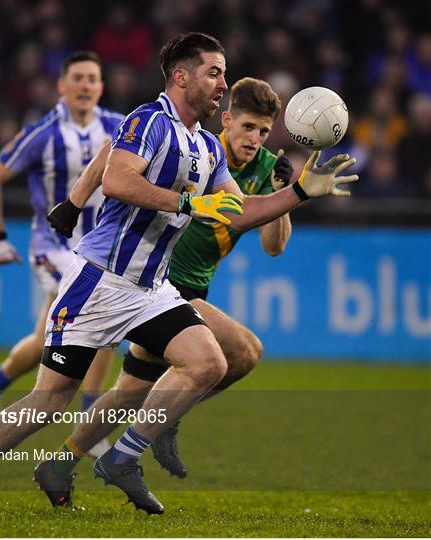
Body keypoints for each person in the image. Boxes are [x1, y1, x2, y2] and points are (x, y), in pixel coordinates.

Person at [0, 32, 358, 518]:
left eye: (223, 73)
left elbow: (239, 213)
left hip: (151, 290)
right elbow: (117, 180)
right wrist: (186, 202)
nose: (222, 83)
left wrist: (300, 191)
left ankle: (125, 456)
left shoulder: (206, 147)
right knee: (50, 400)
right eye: (213, 72)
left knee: (210, 363)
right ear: (181, 77)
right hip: (100, 281)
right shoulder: (147, 121)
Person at [35, 77, 293, 504]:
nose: (254, 139)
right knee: (243, 352)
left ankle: (60, 464)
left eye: (264, 132)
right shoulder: (201, 145)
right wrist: (76, 200)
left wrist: (280, 189)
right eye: (247, 127)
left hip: (189, 291)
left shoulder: (266, 168)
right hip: (161, 283)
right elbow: (114, 155)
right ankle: (164, 423)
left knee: (129, 395)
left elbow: (274, 246)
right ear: (227, 119)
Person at [0, 51, 124, 459]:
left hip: (102, 249)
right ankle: (90, 423)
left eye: (93, 78)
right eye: (77, 78)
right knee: (100, 311)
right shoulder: (43, 133)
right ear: (62, 85)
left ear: (101, 87)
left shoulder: (119, 127)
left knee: (47, 339)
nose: (85, 85)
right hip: (54, 248)